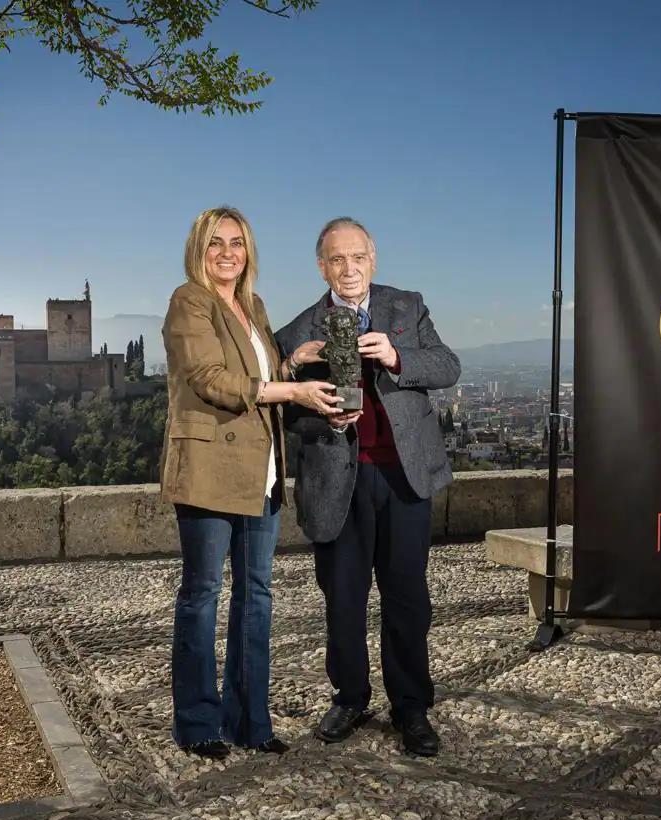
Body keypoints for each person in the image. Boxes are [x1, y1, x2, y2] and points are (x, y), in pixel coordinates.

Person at [275, 217, 460, 756]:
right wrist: (318, 412)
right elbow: (287, 415)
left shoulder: (407, 306)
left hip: (404, 476)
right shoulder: (298, 332)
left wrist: (398, 358)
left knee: (407, 598)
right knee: (343, 598)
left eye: (357, 257)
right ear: (321, 266)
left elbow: (447, 366)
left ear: (372, 259)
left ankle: (411, 707)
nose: (348, 269)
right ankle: (350, 696)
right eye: (337, 259)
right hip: (337, 481)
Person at [161, 207, 336, 759]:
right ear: (199, 250)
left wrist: (292, 365)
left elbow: (255, 376)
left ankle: (251, 722)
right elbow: (212, 380)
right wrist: (295, 394)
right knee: (202, 597)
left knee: (256, 597)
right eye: (216, 244)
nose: (227, 253)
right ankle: (197, 724)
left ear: (249, 251)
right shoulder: (189, 302)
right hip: (211, 470)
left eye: (237, 243)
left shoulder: (253, 306)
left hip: (259, 473)